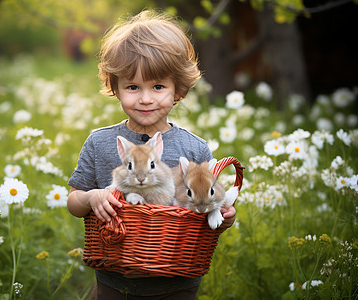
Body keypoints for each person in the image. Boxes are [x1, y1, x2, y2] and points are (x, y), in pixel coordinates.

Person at [67, 10, 236, 300]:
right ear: (116, 88)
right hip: (113, 280)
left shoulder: (194, 149)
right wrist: (91, 198)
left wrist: (224, 215)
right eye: (133, 87)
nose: (145, 98)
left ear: (178, 89)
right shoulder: (101, 142)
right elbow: (74, 201)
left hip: (179, 282)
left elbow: (207, 204)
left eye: (158, 86)